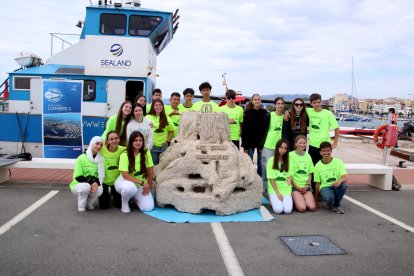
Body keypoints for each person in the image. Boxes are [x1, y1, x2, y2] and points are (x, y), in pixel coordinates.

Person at [115, 131, 155, 213]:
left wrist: (149, 186)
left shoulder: (146, 152)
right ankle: (125, 202)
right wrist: (143, 183)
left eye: (140, 140)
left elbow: (150, 170)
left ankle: (133, 197)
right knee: (130, 188)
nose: (138, 142)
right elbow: (125, 175)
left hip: (140, 185)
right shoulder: (124, 155)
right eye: (136, 140)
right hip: (125, 182)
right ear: (131, 141)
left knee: (148, 208)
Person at [69, 136, 104, 212]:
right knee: (86, 186)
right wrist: (91, 183)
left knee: (100, 190)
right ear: (91, 144)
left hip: (92, 184)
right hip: (78, 184)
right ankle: (81, 206)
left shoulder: (100, 159)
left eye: (101, 145)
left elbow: (100, 176)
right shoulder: (81, 158)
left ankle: (89, 204)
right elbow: (78, 176)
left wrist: (96, 184)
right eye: (97, 143)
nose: (99, 146)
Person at [314, 142, 347, 214]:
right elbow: (317, 184)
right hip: (325, 187)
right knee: (329, 198)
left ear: (331, 151)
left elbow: (345, 177)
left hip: (336, 185)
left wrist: (339, 181)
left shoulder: (338, 162)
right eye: (324, 151)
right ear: (320, 152)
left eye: (328, 150)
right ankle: (329, 202)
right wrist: (315, 201)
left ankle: (337, 205)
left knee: (343, 185)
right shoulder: (317, 166)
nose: (326, 153)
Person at [261, 97, 285, 197]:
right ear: (275, 105)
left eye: (282, 103)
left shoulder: (285, 117)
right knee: (266, 168)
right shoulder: (269, 115)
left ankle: (278, 188)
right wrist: (260, 144)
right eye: (278, 103)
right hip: (268, 145)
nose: (280, 105)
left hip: (280, 147)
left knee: (279, 168)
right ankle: (266, 188)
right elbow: (263, 130)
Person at [307, 93, 339, 167]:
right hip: (312, 145)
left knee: (324, 167)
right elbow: (295, 111)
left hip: (325, 146)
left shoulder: (328, 113)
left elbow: (336, 128)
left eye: (318, 102)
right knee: (312, 168)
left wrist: (335, 143)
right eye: (314, 102)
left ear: (321, 102)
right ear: (311, 104)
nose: (316, 104)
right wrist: (286, 112)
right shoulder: (308, 111)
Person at [241, 93, 269, 177]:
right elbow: (244, 130)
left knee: (261, 163)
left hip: (260, 142)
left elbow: (266, 130)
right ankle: (249, 178)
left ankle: (260, 178)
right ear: (252, 101)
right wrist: (245, 146)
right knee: (249, 162)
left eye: (258, 99)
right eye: (255, 99)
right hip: (250, 142)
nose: (257, 101)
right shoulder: (247, 113)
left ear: (260, 101)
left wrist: (263, 143)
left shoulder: (265, 113)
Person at [99, 131, 126, 209]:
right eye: (111, 139)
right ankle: (106, 194)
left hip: (117, 181)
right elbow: (91, 150)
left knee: (119, 205)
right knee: (104, 207)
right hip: (104, 181)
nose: (114, 141)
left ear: (119, 139)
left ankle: (113, 194)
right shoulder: (101, 149)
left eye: (116, 138)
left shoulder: (123, 149)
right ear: (107, 141)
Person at [289, 135, 316, 212]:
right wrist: (297, 187)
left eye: (304, 143)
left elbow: (309, 173)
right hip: (294, 186)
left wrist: (308, 185)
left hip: (305, 186)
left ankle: (301, 199)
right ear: (295, 144)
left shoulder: (308, 156)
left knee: (312, 207)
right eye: (300, 143)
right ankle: (294, 200)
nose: (302, 144)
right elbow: (289, 175)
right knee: (302, 208)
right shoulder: (290, 155)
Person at [266, 139, 293, 214]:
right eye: (281, 148)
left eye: (285, 148)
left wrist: (289, 178)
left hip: (286, 189)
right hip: (274, 190)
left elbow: (291, 174)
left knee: (287, 210)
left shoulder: (289, 160)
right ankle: (272, 200)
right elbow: (271, 178)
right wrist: (277, 192)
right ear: (277, 148)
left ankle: (281, 201)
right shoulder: (271, 160)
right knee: (278, 210)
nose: (283, 150)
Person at [145, 99, 175, 165]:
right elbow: (143, 131)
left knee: (163, 165)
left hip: (164, 146)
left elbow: (171, 131)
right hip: (152, 146)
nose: (158, 107)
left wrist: (167, 141)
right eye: (156, 105)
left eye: (160, 105)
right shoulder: (148, 117)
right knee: (153, 165)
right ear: (153, 107)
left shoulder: (167, 118)